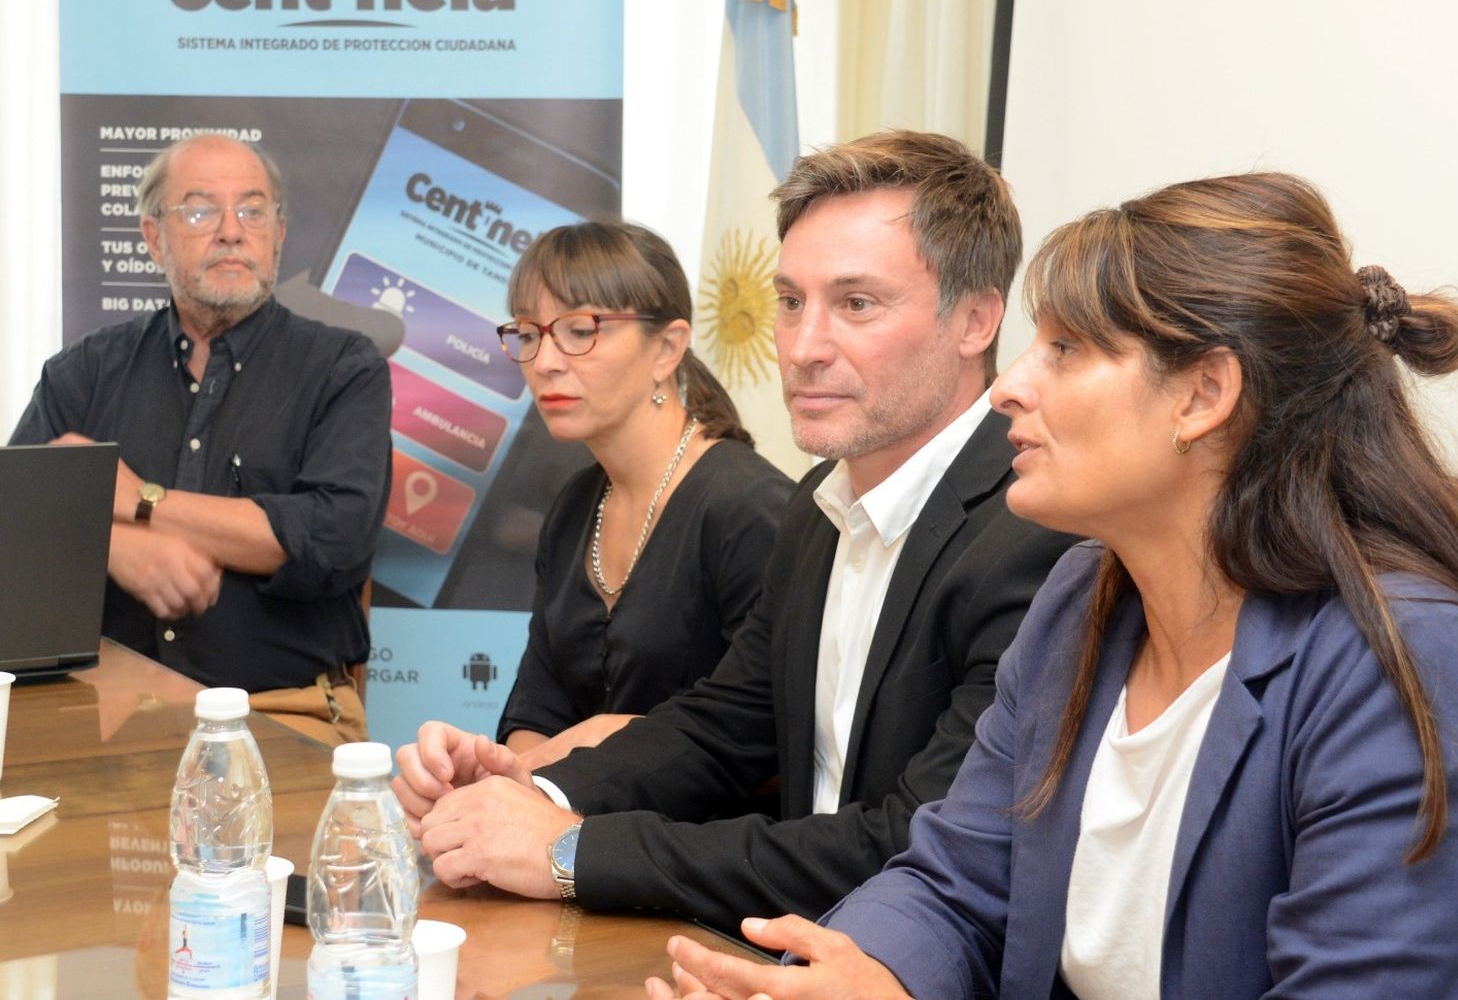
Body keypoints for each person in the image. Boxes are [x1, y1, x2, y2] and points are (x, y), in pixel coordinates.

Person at [649, 172, 1458, 999]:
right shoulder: (1079, 596)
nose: (1010, 385)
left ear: (1204, 393)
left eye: (1065, 347)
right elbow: (954, 882)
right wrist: (856, 977)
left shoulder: (1405, 661)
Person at [393, 131, 1077, 933]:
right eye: (791, 302)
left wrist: (572, 850)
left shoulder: (1038, 530)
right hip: (777, 951)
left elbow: (913, 836)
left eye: (856, 303)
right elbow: (724, 726)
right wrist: (535, 790)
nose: (803, 347)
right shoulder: (821, 502)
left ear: (975, 320)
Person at [9, 134, 392, 745]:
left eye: (252, 209)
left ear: (279, 234)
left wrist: (142, 504)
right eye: (199, 209)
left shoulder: (344, 368)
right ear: (154, 236)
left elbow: (332, 537)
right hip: (96, 710)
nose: (231, 230)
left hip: (279, 709)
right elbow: (13, 525)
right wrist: (110, 545)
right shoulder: (82, 373)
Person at [494, 220, 792, 769]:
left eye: (580, 330)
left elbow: (768, 741)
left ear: (668, 348)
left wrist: (552, 774)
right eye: (529, 333)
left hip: (703, 843)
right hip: (565, 825)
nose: (545, 362)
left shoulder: (750, 510)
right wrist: (513, 784)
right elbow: (536, 708)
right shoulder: (575, 505)